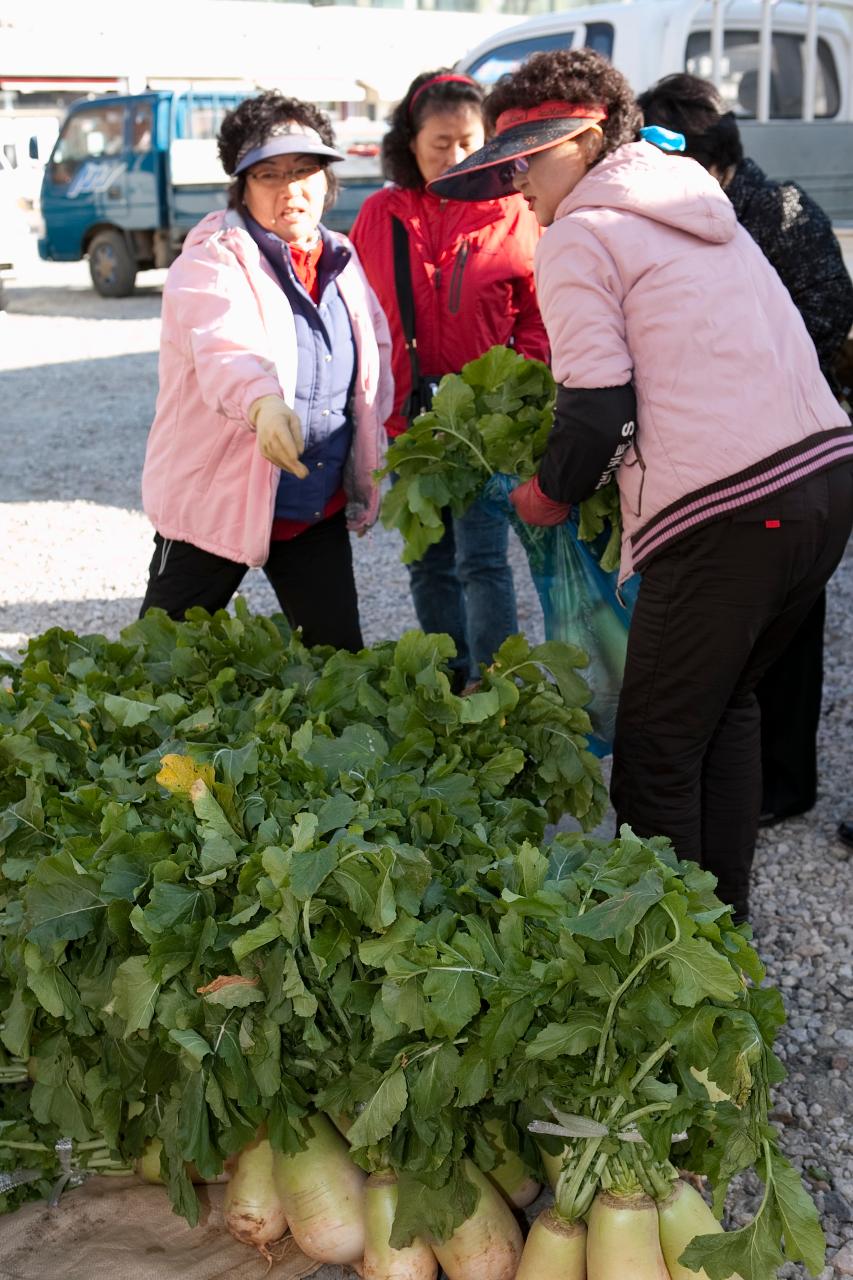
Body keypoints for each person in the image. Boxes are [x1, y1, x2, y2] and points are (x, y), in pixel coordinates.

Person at [430, 48, 853, 921]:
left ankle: (673, 972)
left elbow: (595, 408)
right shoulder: (692, 201)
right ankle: (721, 938)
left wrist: (548, 493)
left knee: (657, 752)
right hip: (822, 483)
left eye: (526, 162)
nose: (517, 190)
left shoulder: (583, 231)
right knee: (726, 709)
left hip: (730, 514)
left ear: (582, 142)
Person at [636, 73, 853, 827]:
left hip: (787, 449)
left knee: (786, 641)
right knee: (728, 648)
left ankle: (784, 784)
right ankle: (735, 776)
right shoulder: (676, 216)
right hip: (721, 459)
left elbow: (824, 319)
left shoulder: (782, 210)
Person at [140, 93, 393, 650]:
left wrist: (379, 441)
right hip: (217, 503)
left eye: (305, 171)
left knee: (340, 668)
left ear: (327, 179)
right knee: (151, 669)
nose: (290, 189)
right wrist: (263, 402)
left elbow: (372, 362)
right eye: (269, 174)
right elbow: (222, 343)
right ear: (242, 186)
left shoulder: (342, 257)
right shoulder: (211, 260)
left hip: (311, 503)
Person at [350, 69, 549, 693]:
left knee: (482, 559)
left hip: (482, 424)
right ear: (409, 142)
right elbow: (352, 307)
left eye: (469, 141)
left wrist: (520, 389)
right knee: (427, 559)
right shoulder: (382, 212)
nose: (457, 156)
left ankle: (494, 684)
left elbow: (540, 317)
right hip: (407, 420)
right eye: (440, 143)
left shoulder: (515, 211)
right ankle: (445, 674)